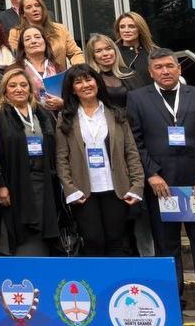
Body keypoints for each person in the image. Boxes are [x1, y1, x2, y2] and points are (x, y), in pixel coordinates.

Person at [128, 50, 195, 326]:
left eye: (169, 66)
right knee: (167, 247)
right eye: (159, 67)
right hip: (161, 187)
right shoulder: (137, 99)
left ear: (178, 68)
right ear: (150, 72)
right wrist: (151, 174)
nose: (165, 71)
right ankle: (171, 301)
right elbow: (134, 141)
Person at [55, 64, 144, 257]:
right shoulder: (66, 117)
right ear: (72, 88)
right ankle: (94, 286)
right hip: (84, 191)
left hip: (116, 188)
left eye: (89, 79)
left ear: (97, 82)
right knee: (93, 240)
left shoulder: (116, 113)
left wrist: (136, 185)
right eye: (78, 82)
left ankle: (115, 286)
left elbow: (131, 152)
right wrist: (70, 189)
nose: (85, 85)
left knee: (116, 240)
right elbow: (62, 158)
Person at [0, 68, 60, 256]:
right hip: (15, 183)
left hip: (43, 181)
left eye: (23, 85)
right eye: (12, 86)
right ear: (5, 90)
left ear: (30, 89)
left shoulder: (42, 113)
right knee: (21, 233)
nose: (19, 89)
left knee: (44, 228)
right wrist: (0, 185)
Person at [8, 0, 85, 67]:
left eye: (37, 5)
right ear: (23, 14)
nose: (34, 9)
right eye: (29, 7)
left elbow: (75, 53)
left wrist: (77, 70)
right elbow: (15, 59)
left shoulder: (60, 29)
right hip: (31, 77)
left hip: (59, 78)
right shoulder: (15, 33)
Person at [86, 33, 146, 109]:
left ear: (115, 51)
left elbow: (143, 102)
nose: (105, 54)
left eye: (108, 49)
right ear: (92, 56)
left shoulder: (130, 74)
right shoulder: (90, 79)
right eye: (98, 51)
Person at [113, 11, 156, 82]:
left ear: (140, 29)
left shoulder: (152, 51)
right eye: (122, 27)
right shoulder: (113, 53)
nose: (126, 30)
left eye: (131, 26)